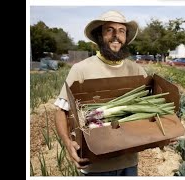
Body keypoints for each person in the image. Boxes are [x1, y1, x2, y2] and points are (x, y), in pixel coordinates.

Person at [54, 10, 147, 176]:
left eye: (121, 31)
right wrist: (68, 143)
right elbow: (61, 111)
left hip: (130, 162)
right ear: (99, 35)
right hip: (95, 165)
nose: (116, 36)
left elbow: (148, 112)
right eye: (109, 30)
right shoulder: (81, 69)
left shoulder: (137, 70)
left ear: (125, 37)